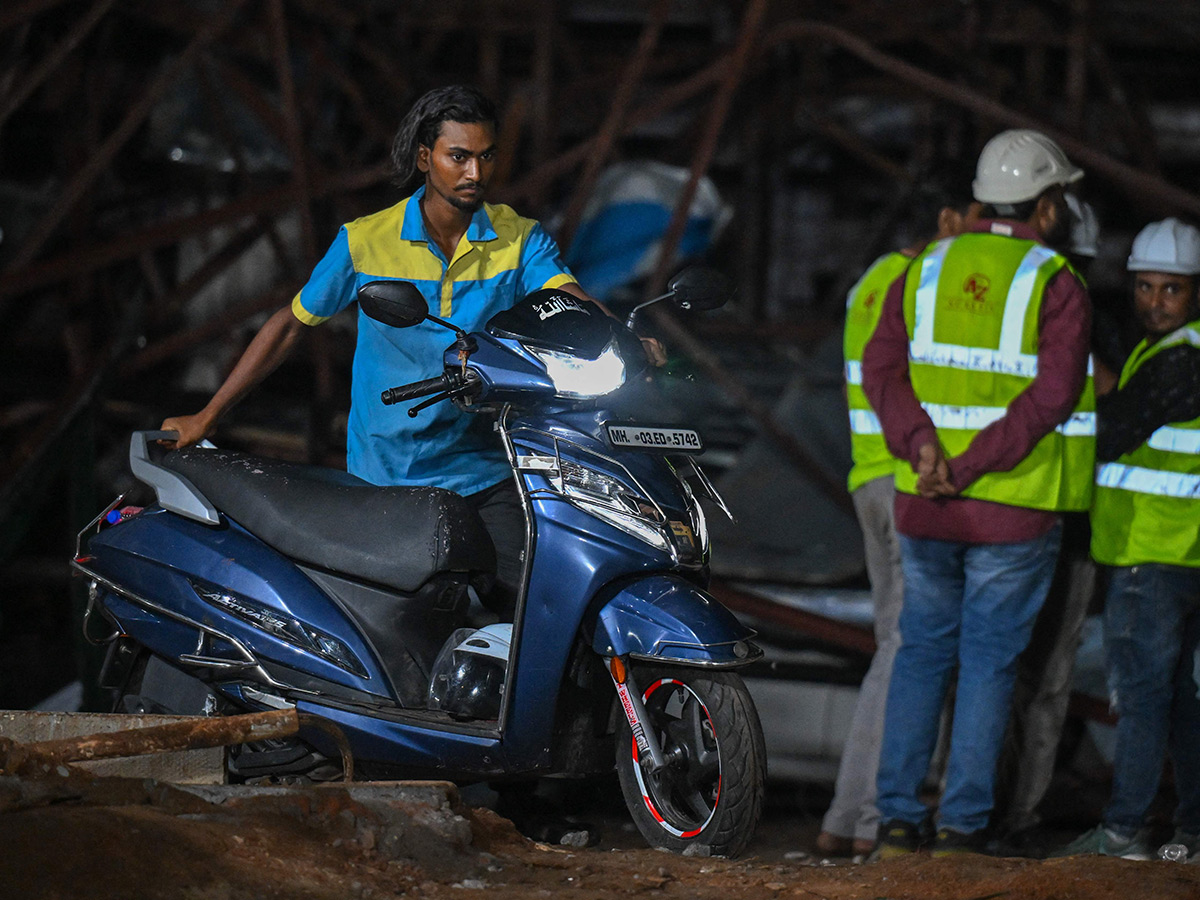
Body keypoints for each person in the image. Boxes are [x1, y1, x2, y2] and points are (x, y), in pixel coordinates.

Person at [160, 85, 662, 614]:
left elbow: (569, 296)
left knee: (533, 608)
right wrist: (209, 414)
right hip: (388, 473)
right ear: (426, 158)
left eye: (485, 156)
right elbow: (291, 324)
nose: (475, 173)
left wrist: (624, 340)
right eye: (459, 157)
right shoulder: (366, 240)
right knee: (398, 623)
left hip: (486, 467)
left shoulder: (517, 237)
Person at [862, 129, 1095, 858]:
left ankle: (897, 822)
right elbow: (1052, 397)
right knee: (990, 664)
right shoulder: (1055, 281)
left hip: (925, 502)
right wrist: (967, 465)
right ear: (1047, 206)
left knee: (922, 655)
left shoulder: (927, 268)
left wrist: (922, 447)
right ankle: (963, 828)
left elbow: (882, 367)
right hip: (1011, 508)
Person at [818, 184, 978, 859]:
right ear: (945, 221)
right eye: (973, 222)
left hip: (868, 478)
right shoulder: (918, 281)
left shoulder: (871, 281)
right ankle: (872, 819)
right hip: (906, 482)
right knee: (910, 656)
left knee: (894, 650)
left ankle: (845, 816)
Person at [1055, 217, 1200, 861]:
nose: (1155, 302)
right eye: (1145, 287)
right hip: (1174, 553)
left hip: (1154, 556)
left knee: (1142, 697)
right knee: (1181, 699)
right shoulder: (1160, 353)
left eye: (1171, 289)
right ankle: (1190, 836)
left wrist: (1090, 388)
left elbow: (1113, 431)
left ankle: (1124, 832)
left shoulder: (1182, 360)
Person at [990, 195, 1104, 855]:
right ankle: (1001, 814)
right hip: (1036, 518)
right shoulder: (1063, 316)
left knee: (1012, 674)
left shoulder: (1079, 319)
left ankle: (1003, 814)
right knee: (1021, 676)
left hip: (1044, 521)